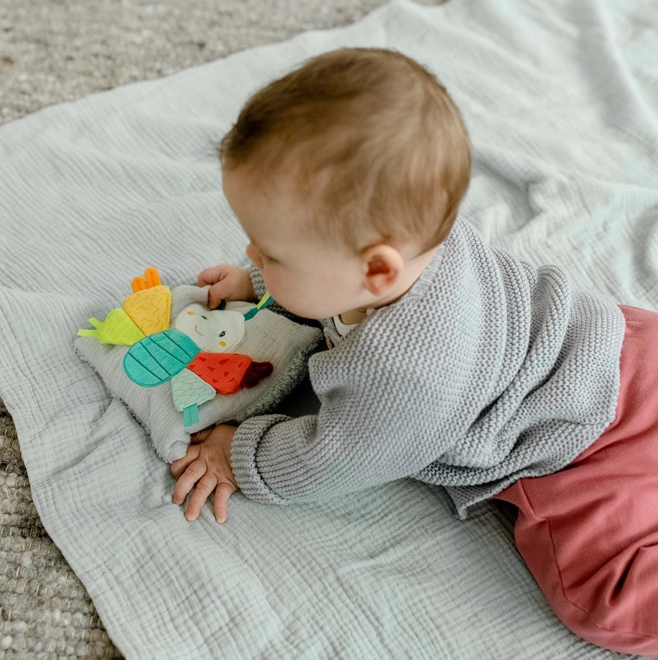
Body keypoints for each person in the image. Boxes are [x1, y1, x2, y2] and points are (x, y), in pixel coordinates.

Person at [170, 47, 658, 657]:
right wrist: (267, 285)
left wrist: (240, 456)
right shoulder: (423, 232)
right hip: (627, 343)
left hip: (583, 444)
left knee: (603, 602)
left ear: (377, 269)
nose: (250, 252)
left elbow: (334, 460)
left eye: (271, 252)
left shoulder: (404, 376)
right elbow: (331, 286)